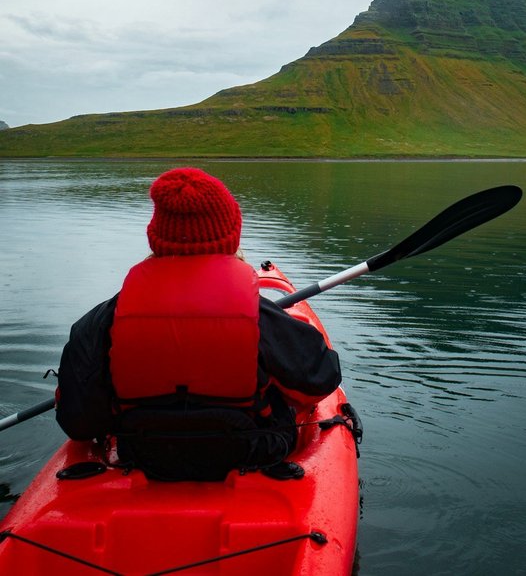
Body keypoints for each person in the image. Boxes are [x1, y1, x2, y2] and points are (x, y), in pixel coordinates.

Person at [55, 167, 341, 481]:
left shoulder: (104, 319)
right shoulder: (258, 316)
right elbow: (322, 379)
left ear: (157, 237)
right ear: (231, 237)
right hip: (249, 450)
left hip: (140, 452)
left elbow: (78, 422)